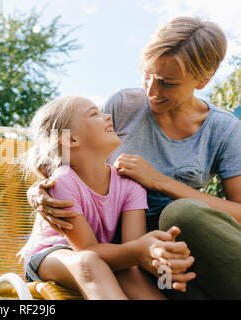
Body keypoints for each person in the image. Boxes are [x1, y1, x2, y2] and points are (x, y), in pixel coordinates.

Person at [27, 16, 241, 299]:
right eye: (147, 74)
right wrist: (39, 189)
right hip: (130, 251)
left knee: (180, 213)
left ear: (203, 79)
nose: (151, 92)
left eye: (167, 83)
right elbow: (67, 151)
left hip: (175, 242)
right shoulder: (122, 105)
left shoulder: (224, 130)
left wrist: (161, 182)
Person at [18, 95, 195, 300]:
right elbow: (86, 249)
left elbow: (133, 249)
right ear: (70, 139)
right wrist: (137, 250)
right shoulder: (62, 182)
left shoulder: (130, 184)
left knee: (131, 273)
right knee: (88, 263)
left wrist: (153, 254)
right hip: (53, 256)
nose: (108, 117)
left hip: (103, 254)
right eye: (94, 114)